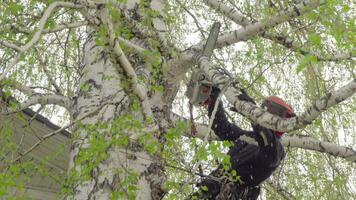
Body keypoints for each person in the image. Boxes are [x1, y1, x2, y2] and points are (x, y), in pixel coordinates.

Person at [193, 87, 295, 200]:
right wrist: (215, 98)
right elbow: (222, 127)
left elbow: (267, 145)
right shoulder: (247, 137)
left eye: (272, 111)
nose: (267, 113)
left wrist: (254, 115)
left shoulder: (276, 149)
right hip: (209, 192)